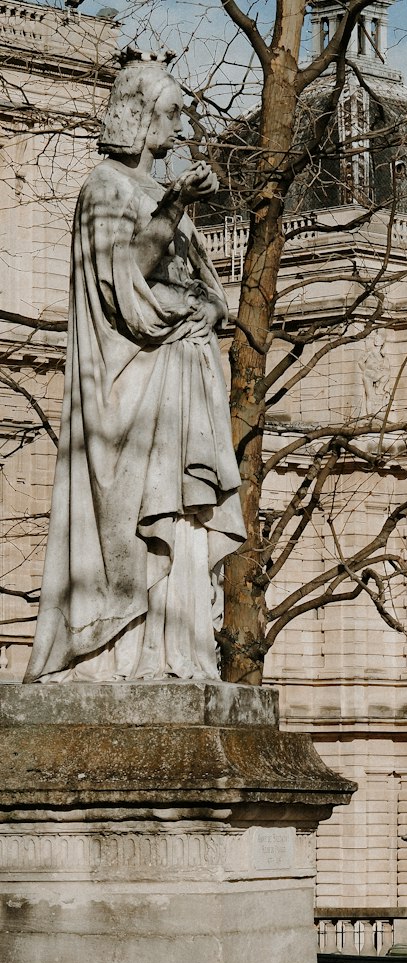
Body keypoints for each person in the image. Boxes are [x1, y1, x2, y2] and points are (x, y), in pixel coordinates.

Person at [25, 56, 245, 683]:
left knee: (179, 519)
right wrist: (174, 204)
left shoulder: (156, 192)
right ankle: (118, 656)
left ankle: (174, 654)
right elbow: (125, 287)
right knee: (139, 519)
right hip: (132, 388)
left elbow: (210, 295)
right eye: (172, 112)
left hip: (180, 380)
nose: (182, 125)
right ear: (140, 116)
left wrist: (202, 309)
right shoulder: (105, 187)